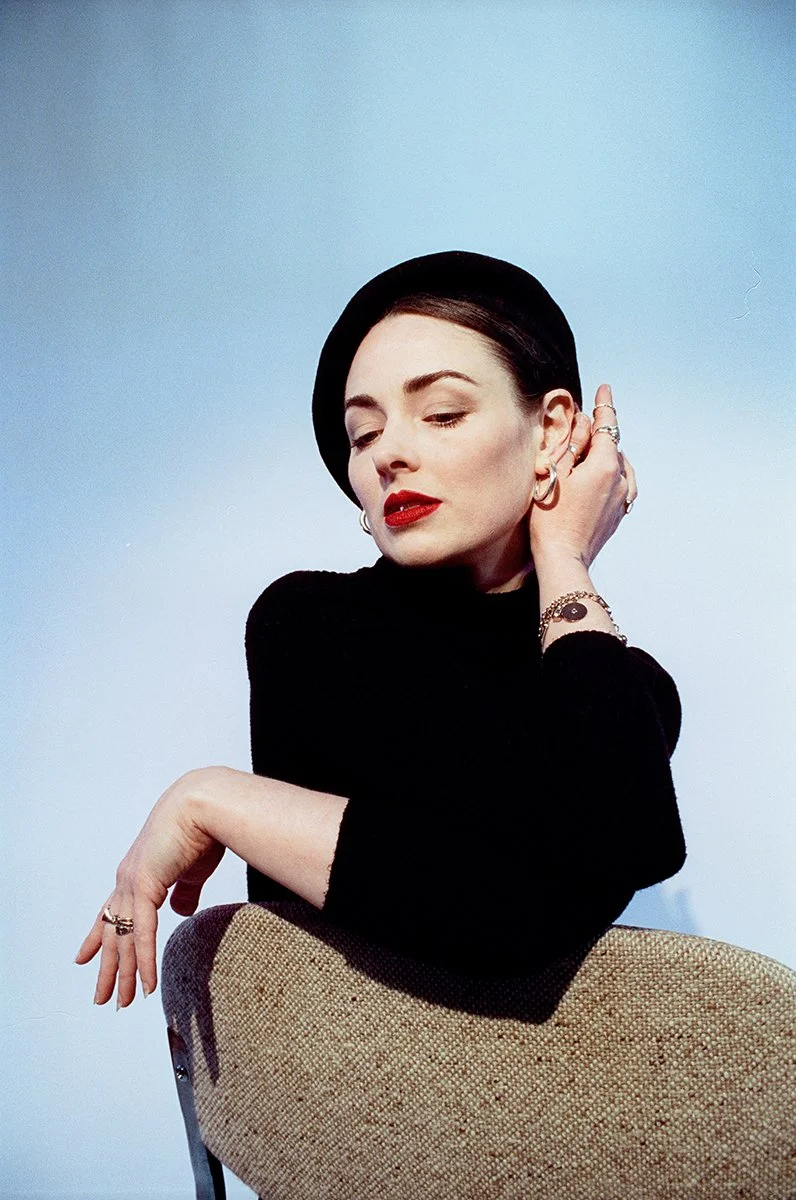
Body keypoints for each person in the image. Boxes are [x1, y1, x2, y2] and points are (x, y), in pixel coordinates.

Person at [76, 250, 686, 1006]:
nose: (389, 453)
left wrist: (562, 557)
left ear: (552, 430)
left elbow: (572, 874)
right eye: (363, 435)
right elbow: (489, 908)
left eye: (441, 414)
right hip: (345, 1111)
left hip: (559, 1121)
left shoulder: (622, 685)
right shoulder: (311, 627)